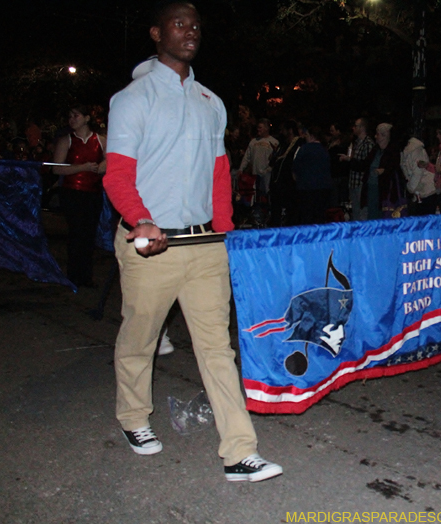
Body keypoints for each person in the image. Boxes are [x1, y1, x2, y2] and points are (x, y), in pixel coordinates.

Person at [102, 1, 282, 482]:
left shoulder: (210, 102)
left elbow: (219, 174)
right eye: (179, 24)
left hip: (204, 246)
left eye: (196, 25)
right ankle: (133, 417)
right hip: (152, 245)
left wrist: (226, 232)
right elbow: (117, 175)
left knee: (218, 348)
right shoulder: (133, 99)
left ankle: (240, 451)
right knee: (140, 339)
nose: (190, 31)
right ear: (156, 33)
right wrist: (141, 220)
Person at [52, 105, 107, 288]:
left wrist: (102, 166)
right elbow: (56, 168)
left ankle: (86, 276)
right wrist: (82, 167)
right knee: (76, 233)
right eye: (70, 116)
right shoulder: (66, 140)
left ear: (86, 118)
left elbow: (110, 160)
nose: (72, 120)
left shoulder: (100, 140)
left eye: (76, 116)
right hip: (72, 192)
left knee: (89, 234)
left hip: (93, 193)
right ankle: (74, 275)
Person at [292, 124, 332, 224]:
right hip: (322, 189)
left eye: (307, 135)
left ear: (311, 136)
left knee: (307, 217)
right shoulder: (324, 150)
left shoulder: (304, 149)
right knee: (319, 217)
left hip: (306, 189)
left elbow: (295, 167)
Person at [360, 123, 401, 220]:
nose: (375, 136)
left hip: (385, 189)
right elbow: (365, 164)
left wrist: (384, 171)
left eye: (377, 134)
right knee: (372, 214)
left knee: (383, 214)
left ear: (384, 136)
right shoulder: (375, 150)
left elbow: (394, 168)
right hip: (371, 186)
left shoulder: (393, 151)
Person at [268, 120, 304, 227]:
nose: (281, 132)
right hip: (278, 183)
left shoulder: (298, 144)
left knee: (291, 210)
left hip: (290, 183)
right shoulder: (283, 144)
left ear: (290, 130)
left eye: (283, 130)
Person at [339, 117, 375, 220]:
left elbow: (365, 165)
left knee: (362, 212)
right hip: (353, 182)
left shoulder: (368, 144)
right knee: (355, 212)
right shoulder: (356, 142)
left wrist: (350, 160)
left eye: (356, 126)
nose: (353, 128)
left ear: (362, 127)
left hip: (361, 184)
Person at [238, 118, 278, 197]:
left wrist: (269, 169)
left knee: (266, 195)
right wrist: (241, 168)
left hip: (267, 175)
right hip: (254, 174)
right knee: (255, 196)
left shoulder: (274, 142)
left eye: (260, 127)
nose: (258, 129)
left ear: (266, 128)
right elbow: (247, 156)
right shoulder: (253, 142)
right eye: (258, 127)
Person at [401, 136, 438, 216]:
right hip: (420, 192)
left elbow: (418, 172)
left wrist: (410, 188)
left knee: (425, 219)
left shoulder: (416, 150)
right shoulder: (405, 152)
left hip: (427, 191)